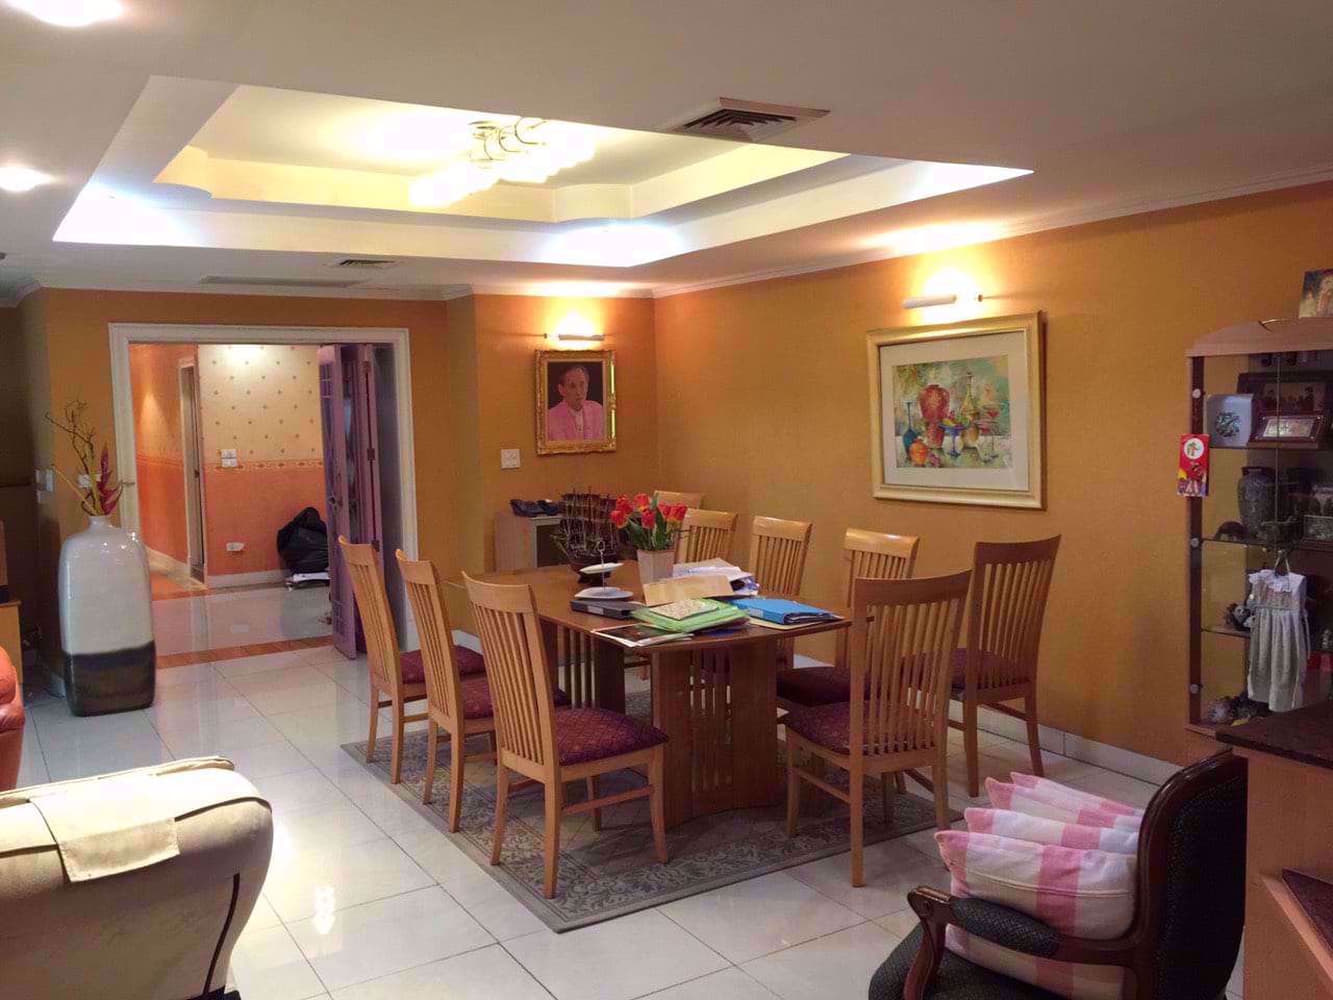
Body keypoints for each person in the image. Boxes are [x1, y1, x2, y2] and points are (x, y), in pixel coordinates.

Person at [546, 364, 605, 440]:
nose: (578, 392)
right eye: (572, 386)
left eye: (582, 385)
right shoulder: (549, 418)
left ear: (587, 385)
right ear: (561, 390)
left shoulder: (598, 410)